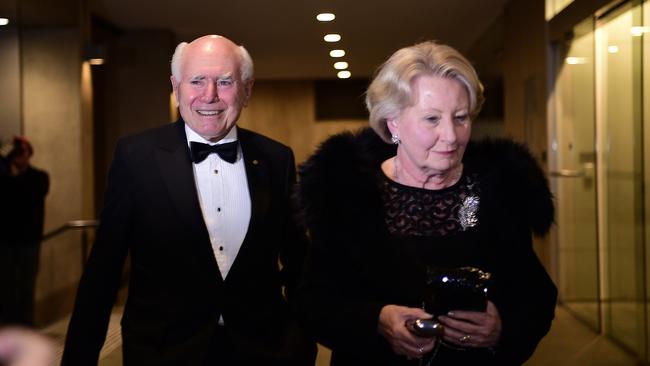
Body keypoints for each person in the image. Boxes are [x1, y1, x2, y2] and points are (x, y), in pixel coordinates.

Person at [295, 40, 557, 365]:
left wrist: (503, 327)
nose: (451, 135)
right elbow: (314, 301)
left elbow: (537, 296)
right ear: (393, 123)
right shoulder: (346, 193)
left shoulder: (498, 192)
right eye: (432, 119)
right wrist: (377, 319)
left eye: (460, 118)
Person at [61, 35, 315, 365]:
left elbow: (298, 264)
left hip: (263, 351)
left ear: (247, 89)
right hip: (163, 351)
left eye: (225, 82)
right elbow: (104, 268)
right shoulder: (136, 156)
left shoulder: (276, 158)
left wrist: (303, 342)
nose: (209, 95)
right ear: (175, 86)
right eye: (197, 81)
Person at [0, 137, 49, 326]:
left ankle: (26, 325)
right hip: (5, 241)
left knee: (26, 285)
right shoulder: (3, 178)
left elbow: (27, 195)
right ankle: (8, 325)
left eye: (22, 151)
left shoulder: (39, 177)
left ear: (30, 154)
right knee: (5, 285)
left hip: (29, 241)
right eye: (16, 152)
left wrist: (13, 175)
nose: (19, 156)